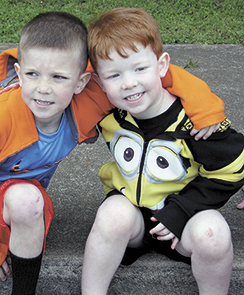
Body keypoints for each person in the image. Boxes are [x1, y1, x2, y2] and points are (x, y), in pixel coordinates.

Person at [0, 10, 226, 295]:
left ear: (82, 82)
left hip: (5, 204)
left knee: (28, 200)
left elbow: (148, 71)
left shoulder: (88, 100)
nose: (43, 88)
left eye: (58, 77)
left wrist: (206, 108)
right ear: (20, 72)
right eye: (33, 75)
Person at [81, 7, 244, 295]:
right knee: (111, 216)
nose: (129, 82)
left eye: (139, 68)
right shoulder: (109, 115)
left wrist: (182, 211)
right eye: (114, 75)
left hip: (187, 221)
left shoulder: (194, 122)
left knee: (214, 235)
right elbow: (55, 79)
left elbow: (235, 165)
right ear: (99, 81)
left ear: (161, 65)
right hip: (135, 220)